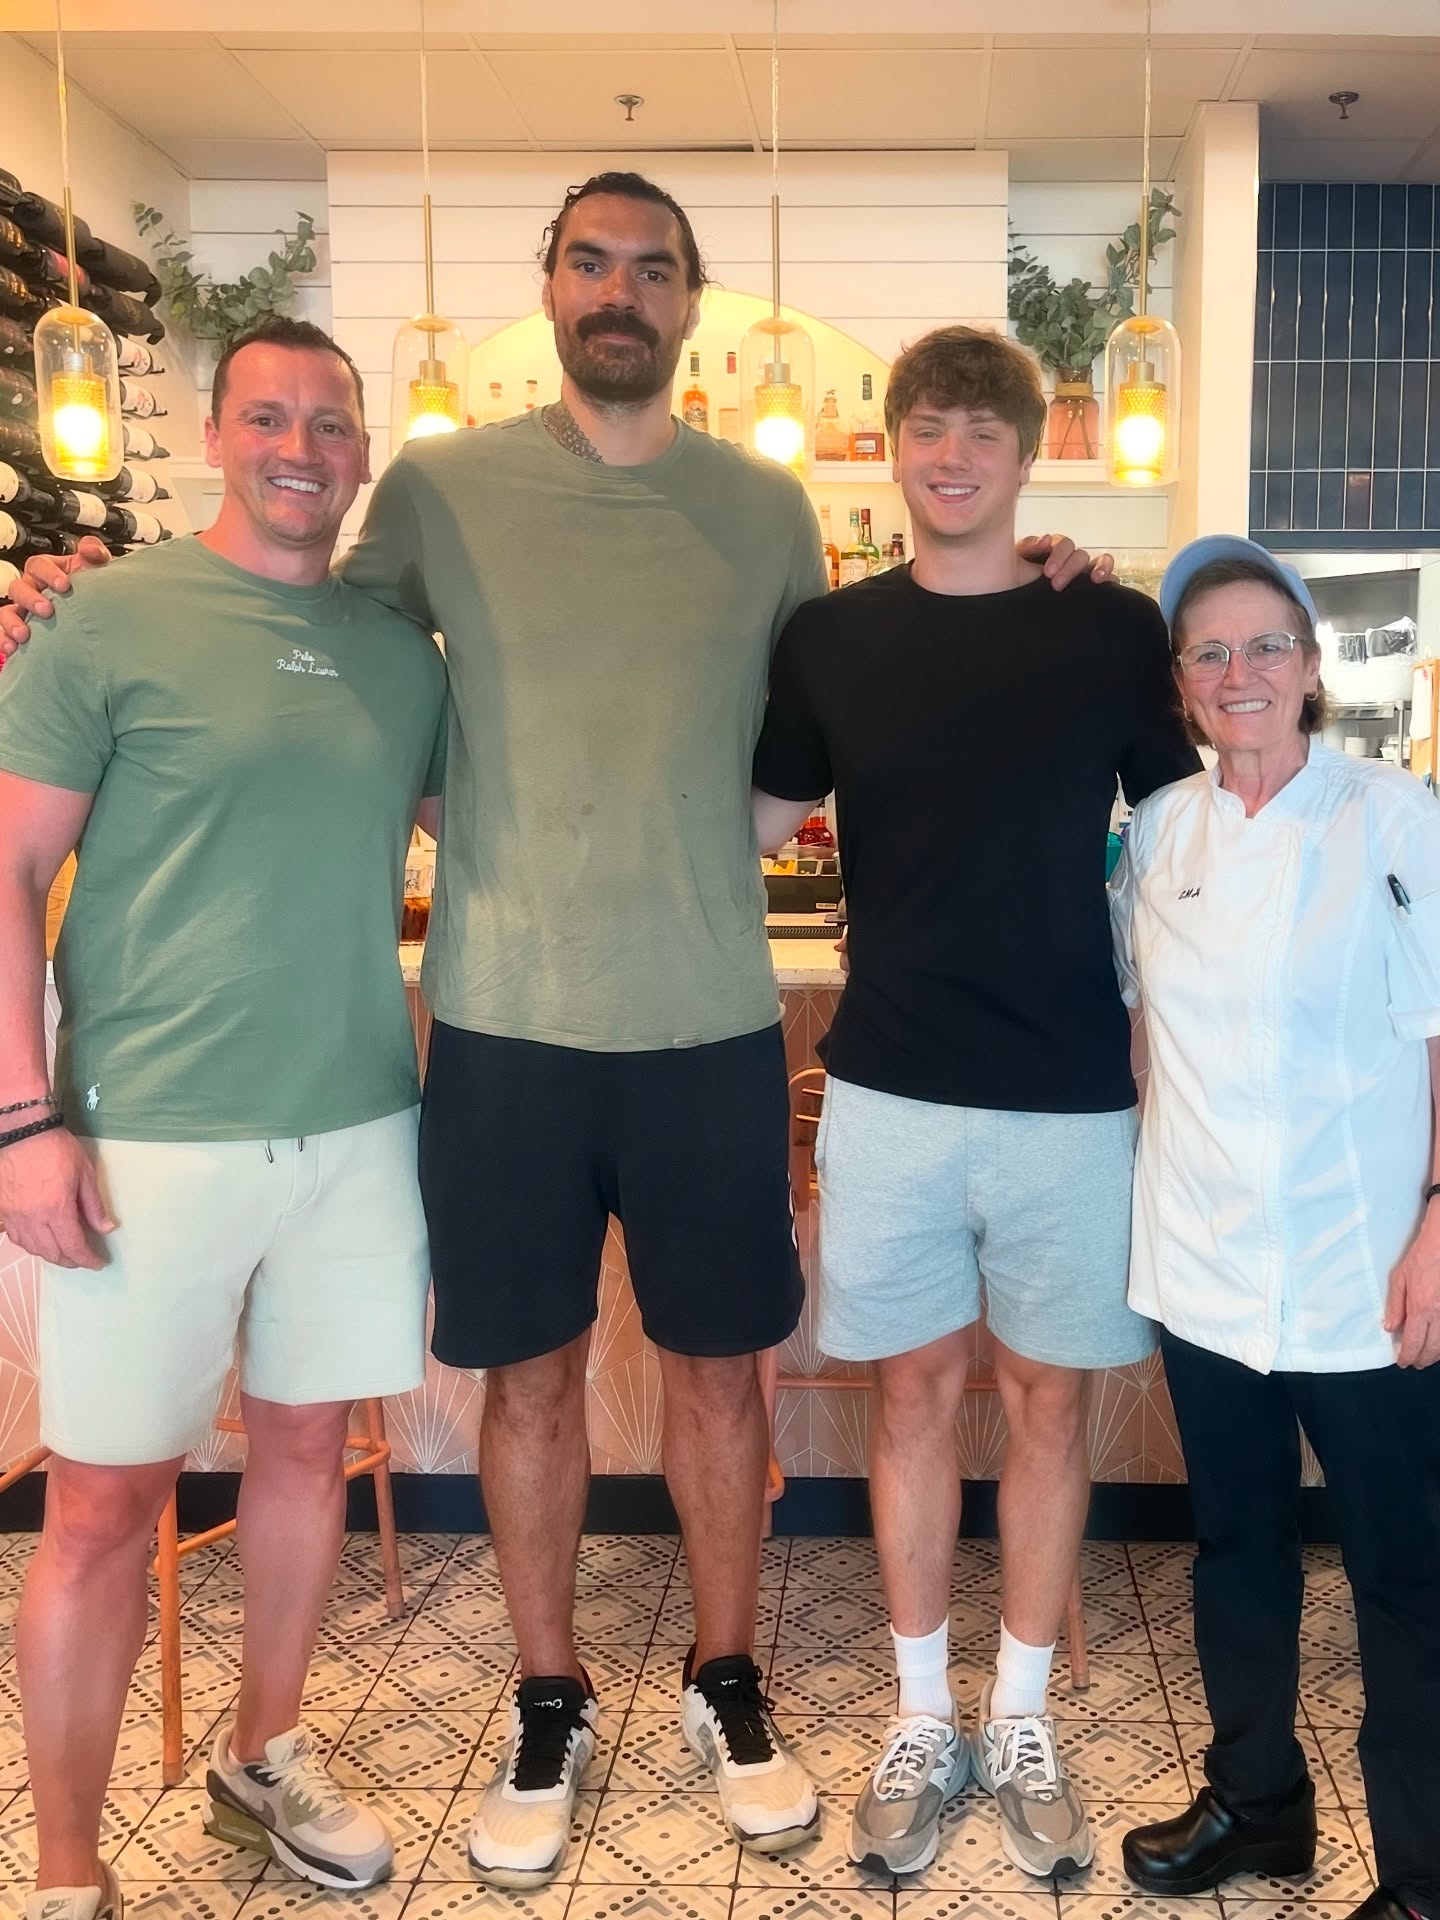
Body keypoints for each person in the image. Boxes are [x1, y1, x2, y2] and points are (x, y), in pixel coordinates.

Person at [0, 174, 1103, 1889]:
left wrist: (1040, 573)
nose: (620, 290)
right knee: (522, 1379)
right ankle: (545, 1692)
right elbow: (300, 612)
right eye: (591, 260)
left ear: (689, 305)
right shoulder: (434, 487)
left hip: (712, 1021)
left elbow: (867, 672)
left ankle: (726, 1684)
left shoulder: (767, 511)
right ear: (553, 286)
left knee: (717, 1374)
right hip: (502, 1026)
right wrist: (91, 593)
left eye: (653, 270)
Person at [0, 316, 446, 1920]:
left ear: (362, 457)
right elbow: (9, 868)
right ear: (212, 434)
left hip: (352, 1130)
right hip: (148, 1135)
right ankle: (64, 1866)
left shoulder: (403, 659)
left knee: (309, 1451)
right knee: (103, 1499)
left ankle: (265, 1758)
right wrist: (18, 1119)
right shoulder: (109, 615)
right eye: (271, 418)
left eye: (333, 426)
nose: (303, 449)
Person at [751, 324, 1200, 1881]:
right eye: (927, 431)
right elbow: (742, 818)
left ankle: (1021, 1720)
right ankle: (921, 1715)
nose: (953, 459)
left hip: (1074, 1091)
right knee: (918, 1399)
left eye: (983, 437)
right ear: (889, 447)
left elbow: (1195, 834)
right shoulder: (826, 638)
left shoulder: (1114, 629)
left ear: (1029, 457)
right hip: (888, 1083)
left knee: (1054, 1403)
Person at [1110, 535, 1440, 1920]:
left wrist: (1437, 1218)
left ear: (1308, 667)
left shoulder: (1398, 817)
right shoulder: (1158, 833)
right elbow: (1146, 1038)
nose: (1239, 673)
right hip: (1206, 1269)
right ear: (1183, 685)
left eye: (1265, 646)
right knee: (1237, 1550)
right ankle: (1260, 1807)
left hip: (1363, 1267)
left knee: (1403, 1575)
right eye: (1209, 652)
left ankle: (1423, 1872)